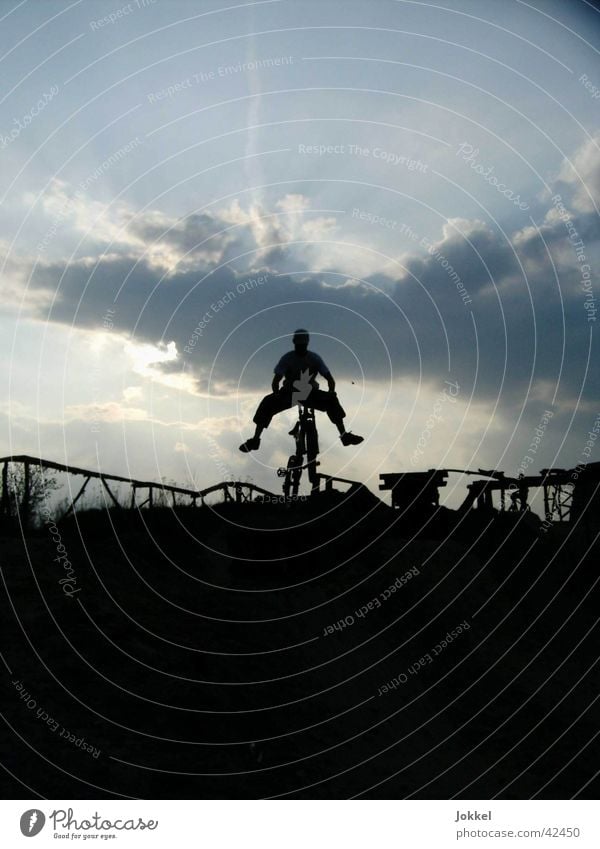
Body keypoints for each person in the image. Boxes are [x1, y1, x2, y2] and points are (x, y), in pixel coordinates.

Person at [239, 329, 364, 452]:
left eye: (302, 345)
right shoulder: (287, 359)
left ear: (306, 343)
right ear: (294, 343)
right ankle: (255, 439)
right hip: (290, 393)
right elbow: (276, 381)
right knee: (267, 402)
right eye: (299, 345)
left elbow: (330, 379)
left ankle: (344, 436)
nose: (300, 347)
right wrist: (277, 394)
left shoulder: (314, 358)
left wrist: (331, 392)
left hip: (309, 394)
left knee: (332, 400)